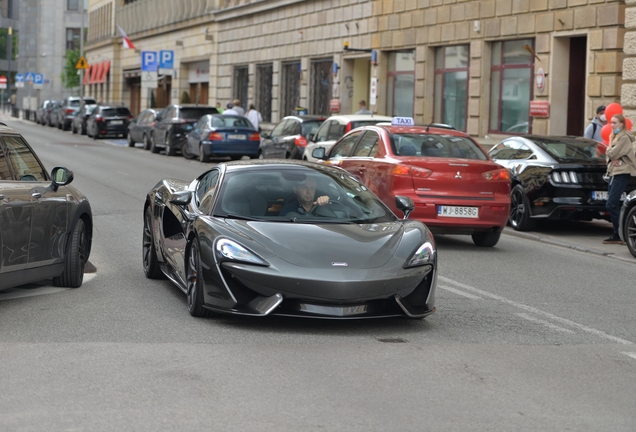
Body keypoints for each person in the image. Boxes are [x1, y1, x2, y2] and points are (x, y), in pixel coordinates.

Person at [603, 114, 636, 244]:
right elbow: (610, 157)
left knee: (611, 204)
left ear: (621, 124)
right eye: (611, 122)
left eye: (615, 123)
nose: (612, 125)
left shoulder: (624, 138)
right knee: (613, 204)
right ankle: (618, 234)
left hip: (622, 173)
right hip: (614, 172)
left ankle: (619, 234)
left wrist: (611, 151)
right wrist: (612, 156)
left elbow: (611, 153)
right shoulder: (615, 137)